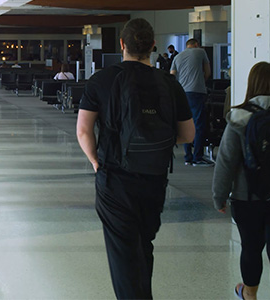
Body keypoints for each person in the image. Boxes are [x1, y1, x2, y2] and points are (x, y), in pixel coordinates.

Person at [76, 18, 195, 299]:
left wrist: (96, 161)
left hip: (115, 177)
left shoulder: (102, 80)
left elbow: (83, 130)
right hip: (154, 177)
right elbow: (188, 134)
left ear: (122, 45)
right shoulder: (169, 83)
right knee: (143, 245)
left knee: (123, 253)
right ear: (152, 46)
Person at [212, 62, 270, 300]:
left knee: (252, 248)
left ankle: (249, 294)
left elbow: (226, 160)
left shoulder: (239, 117)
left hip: (249, 197)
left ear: (251, 85)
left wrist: (219, 196)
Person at [171, 38, 212, 166]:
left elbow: (172, 74)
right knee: (198, 124)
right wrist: (201, 81)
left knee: (185, 123)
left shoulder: (177, 57)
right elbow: (208, 72)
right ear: (196, 45)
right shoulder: (200, 52)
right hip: (197, 91)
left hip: (182, 92)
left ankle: (187, 157)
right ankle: (197, 157)